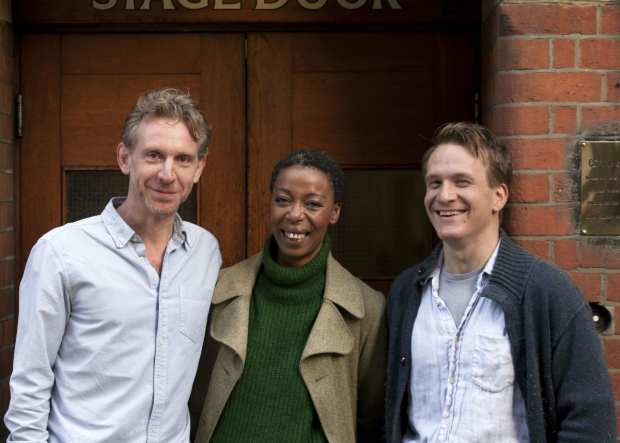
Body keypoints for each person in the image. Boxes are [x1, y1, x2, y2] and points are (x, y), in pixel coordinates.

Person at [5, 88, 222, 442]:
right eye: (154, 155)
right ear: (125, 158)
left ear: (199, 168)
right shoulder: (60, 252)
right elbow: (31, 383)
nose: (168, 174)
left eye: (183, 159)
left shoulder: (205, 251)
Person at [384, 122, 616, 443]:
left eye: (461, 182)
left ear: (498, 196)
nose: (444, 195)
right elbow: (390, 413)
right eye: (434, 183)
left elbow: (591, 422)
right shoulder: (406, 291)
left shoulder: (545, 290)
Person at [190, 149, 387, 443]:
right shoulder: (218, 290)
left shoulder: (366, 309)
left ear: (335, 212)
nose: (295, 214)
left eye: (313, 204)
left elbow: (370, 419)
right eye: (283, 200)